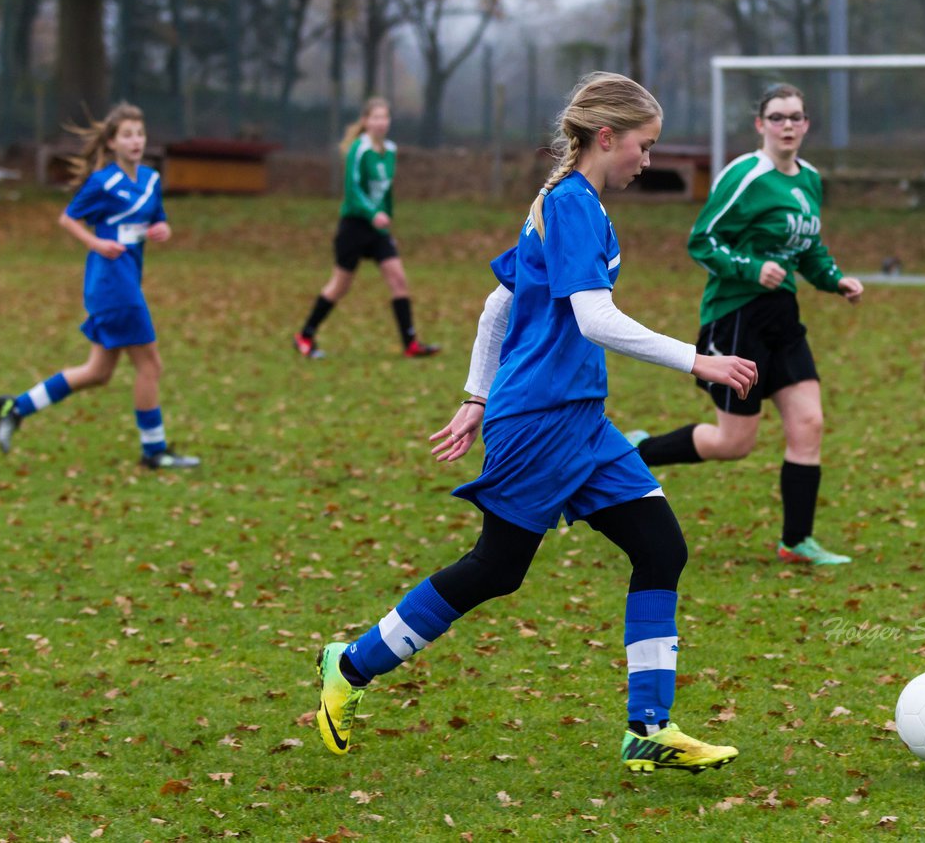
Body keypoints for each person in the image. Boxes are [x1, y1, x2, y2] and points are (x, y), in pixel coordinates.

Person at [314, 72, 758, 774]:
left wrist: (473, 396)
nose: (649, 159)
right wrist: (696, 361)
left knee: (660, 548)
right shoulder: (571, 204)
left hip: (579, 418)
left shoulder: (559, 203)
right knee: (497, 569)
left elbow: (498, 308)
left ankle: (649, 726)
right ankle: (352, 664)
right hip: (540, 422)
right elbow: (594, 318)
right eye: (644, 145)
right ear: (606, 138)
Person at [627, 83, 863, 567]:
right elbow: (703, 241)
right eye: (777, 117)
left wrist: (836, 280)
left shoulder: (810, 179)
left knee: (809, 423)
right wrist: (752, 268)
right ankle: (638, 450)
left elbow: (810, 249)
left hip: (783, 318)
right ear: (761, 125)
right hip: (735, 319)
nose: (788, 126)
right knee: (735, 443)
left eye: (796, 117)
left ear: (806, 124)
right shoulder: (745, 175)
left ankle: (796, 542)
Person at [0, 103, 199, 470]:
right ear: (112, 142)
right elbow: (67, 218)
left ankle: (16, 407)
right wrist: (96, 244)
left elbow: (157, 220)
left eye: (140, 133)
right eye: (127, 135)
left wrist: (162, 230)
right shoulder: (102, 182)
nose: (136, 141)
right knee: (150, 366)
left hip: (127, 280)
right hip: (111, 284)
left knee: (98, 373)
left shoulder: (151, 180)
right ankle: (154, 451)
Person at [294, 97, 439, 358]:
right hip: (354, 227)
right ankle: (305, 334)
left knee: (399, 280)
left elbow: (386, 192)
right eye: (375, 117)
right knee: (339, 286)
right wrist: (373, 214)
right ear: (365, 121)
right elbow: (353, 191)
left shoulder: (391, 151)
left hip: (378, 229)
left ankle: (410, 344)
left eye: (385, 117)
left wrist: (386, 216)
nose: (381, 122)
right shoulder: (358, 150)